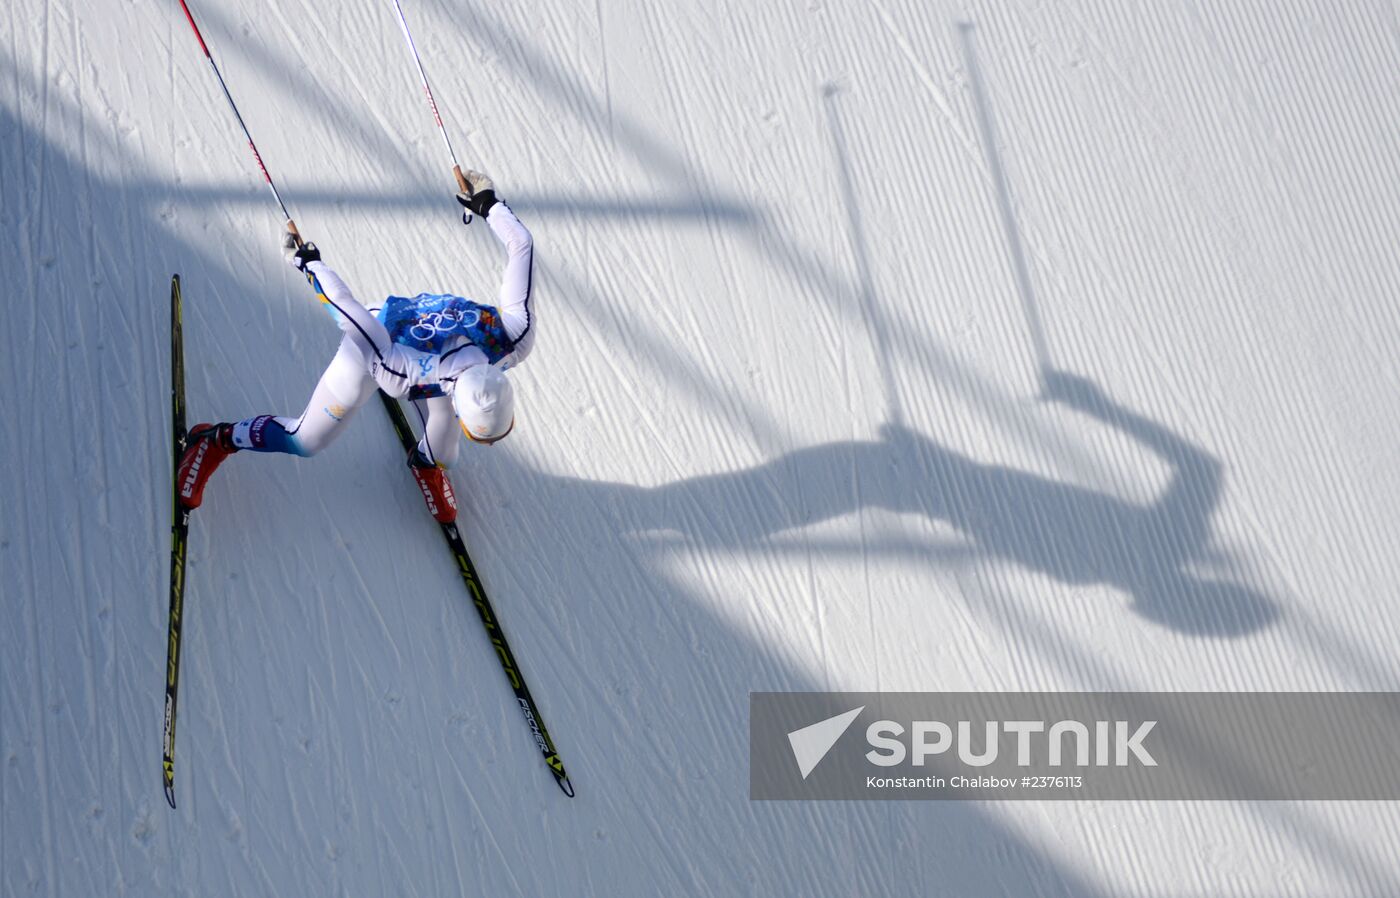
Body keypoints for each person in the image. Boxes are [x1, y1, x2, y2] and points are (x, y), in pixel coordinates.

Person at [175, 170, 533, 523]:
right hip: (380, 340)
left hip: (428, 350)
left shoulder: (515, 337)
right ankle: (215, 439)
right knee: (306, 440)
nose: (490, 444)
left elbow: (522, 246)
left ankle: (424, 463)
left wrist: (489, 204)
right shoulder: (400, 373)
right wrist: (311, 265)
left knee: (445, 454)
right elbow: (352, 315)